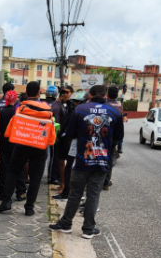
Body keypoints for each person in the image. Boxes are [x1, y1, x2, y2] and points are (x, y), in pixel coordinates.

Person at [49, 84, 124, 239]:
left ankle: (66, 224)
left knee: (75, 193)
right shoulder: (115, 111)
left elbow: (69, 133)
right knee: (93, 194)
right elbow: (118, 137)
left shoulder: (80, 109)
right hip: (103, 160)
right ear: (105, 96)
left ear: (89, 95)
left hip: (83, 159)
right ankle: (88, 229)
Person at [0, 81, 52, 217]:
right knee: (35, 178)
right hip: (39, 145)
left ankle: (6, 201)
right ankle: (29, 207)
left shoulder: (21, 108)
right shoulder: (47, 109)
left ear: (26, 93)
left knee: (13, 171)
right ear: (39, 93)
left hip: (22, 144)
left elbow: (13, 126)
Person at [52, 91, 88, 201]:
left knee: (69, 169)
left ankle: (67, 192)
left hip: (75, 143)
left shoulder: (77, 112)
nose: (75, 103)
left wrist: (65, 134)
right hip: (84, 144)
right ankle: (72, 191)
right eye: (75, 101)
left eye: (77, 101)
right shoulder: (82, 111)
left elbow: (70, 129)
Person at [0, 89, 26, 201]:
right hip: (17, 143)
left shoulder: (1, 112)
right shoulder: (19, 111)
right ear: (15, 99)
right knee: (19, 168)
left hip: (4, 144)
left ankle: (2, 192)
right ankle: (21, 192)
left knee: (4, 169)